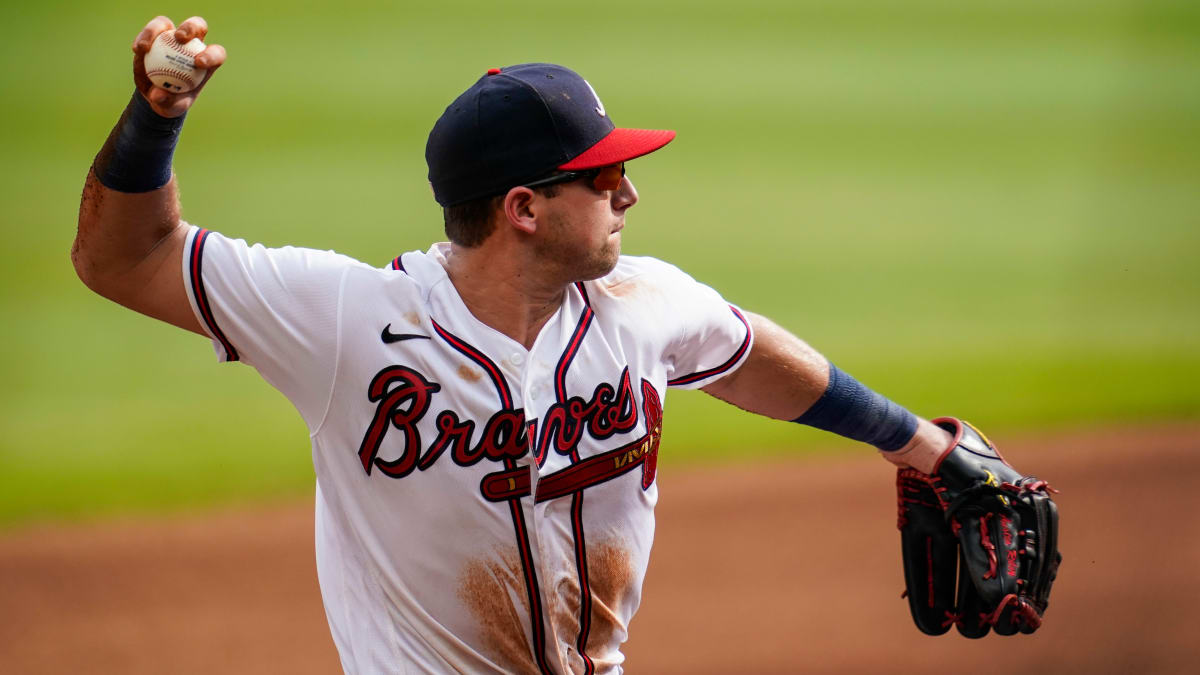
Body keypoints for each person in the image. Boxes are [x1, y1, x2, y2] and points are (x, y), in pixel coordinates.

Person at [76, 16, 963, 675]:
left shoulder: (641, 301)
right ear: (524, 208)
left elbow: (742, 352)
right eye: (604, 175)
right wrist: (156, 118)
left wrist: (921, 444)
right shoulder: (349, 319)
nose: (630, 195)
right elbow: (129, 258)